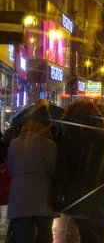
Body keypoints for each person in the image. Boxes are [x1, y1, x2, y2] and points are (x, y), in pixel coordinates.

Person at [60, 101, 104, 242]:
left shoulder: (68, 136)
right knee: (99, 237)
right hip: (100, 200)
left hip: (76, 200)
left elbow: (62, 169)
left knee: (86, 236)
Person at [7, 100, 57, 243]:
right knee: (45, 237)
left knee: (23, 238)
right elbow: (53, 171)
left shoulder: (14, 144)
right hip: (43, 197)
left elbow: (12, 171)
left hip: (19, 199)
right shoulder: (49, 145)